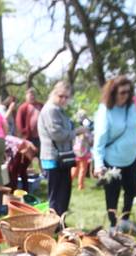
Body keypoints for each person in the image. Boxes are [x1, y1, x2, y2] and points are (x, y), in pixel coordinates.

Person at [93, 75, 136, 232]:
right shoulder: (105, 110)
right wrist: (99, 164)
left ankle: (125, 219)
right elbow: (99, 139)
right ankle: (114, 224)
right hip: (112, 160)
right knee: (112, 193)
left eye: (129, 92)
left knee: (131, 190)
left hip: (131, 159)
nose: (126, 96)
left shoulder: (131, 107)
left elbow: (134, 131)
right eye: (122, 92)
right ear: (113, 93)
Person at [38, 81, 75, 215]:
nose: (64, 99)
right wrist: (76, 132)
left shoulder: (58, 109)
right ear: (54, 93)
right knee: (56, 196)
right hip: (53, 158)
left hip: (61, 158)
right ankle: (54, 224)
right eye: (61, 96)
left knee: (63, 194)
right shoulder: (51, 109)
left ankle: (60, 223)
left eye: (67, 97)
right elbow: (57, 134)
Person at [72, 111, 93, 191]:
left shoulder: (76, 130)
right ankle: (80, 186)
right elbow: (91, 142)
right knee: (82, 170)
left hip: (76, 152)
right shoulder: (87, 133)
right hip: (84, 153)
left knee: (74, 168)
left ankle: (69, 182)